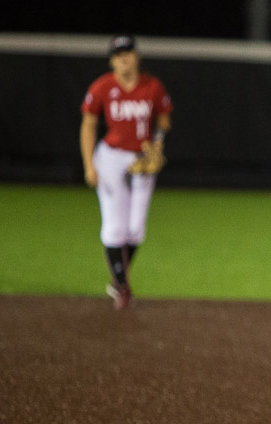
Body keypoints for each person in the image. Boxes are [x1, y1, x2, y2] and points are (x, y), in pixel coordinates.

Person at [80, 34, 173, 310]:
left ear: (136, 56)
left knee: (135, 230)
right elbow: (88, 125)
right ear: (112, 60)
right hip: (110, 159)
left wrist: (156, 141)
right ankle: (122, 286)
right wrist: (89, 164)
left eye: (128, 53)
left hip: (142, 160)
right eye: (118, 54)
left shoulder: (152, 86)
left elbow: (164, 120)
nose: (124, 58)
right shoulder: (101, 87)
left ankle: (116, 277)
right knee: (114, 226)